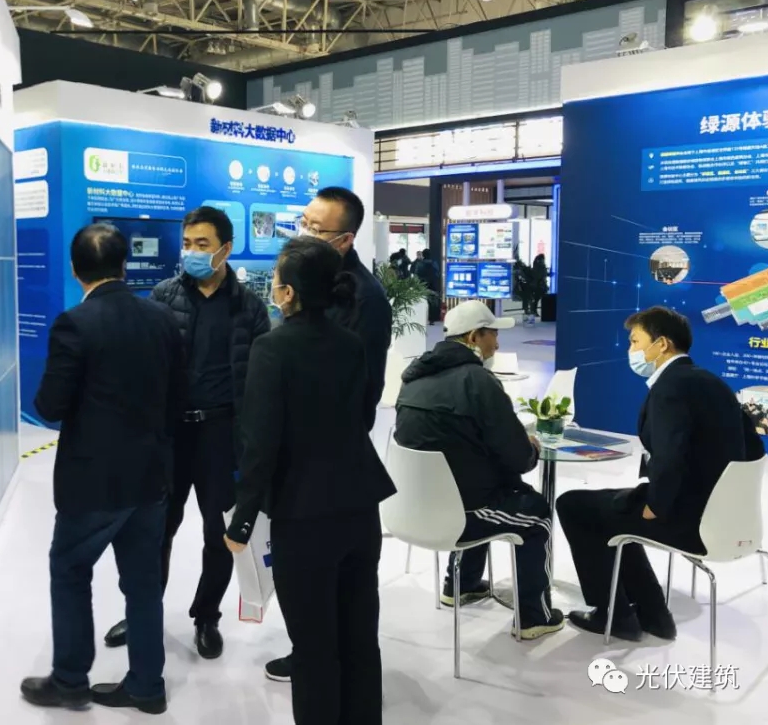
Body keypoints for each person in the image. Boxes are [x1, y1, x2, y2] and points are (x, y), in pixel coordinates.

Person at [224, 237, 397, 725]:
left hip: (304, 514)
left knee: (314, 645)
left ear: (288, 293)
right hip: (359, 506)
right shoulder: (350, 343)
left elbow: (260, 442)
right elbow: (362, 415)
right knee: (360, 637)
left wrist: (241, 521)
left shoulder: (272, 348)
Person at [22, 224, 185, 715]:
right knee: (143, 584)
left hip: (93, 483)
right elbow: (178, 396)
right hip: (151, 477)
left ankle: (70, 680)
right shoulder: (161, 319)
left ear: (75, 270)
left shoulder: (75, 324)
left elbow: (50, 406)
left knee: (71, 570)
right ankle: (147, 686)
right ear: (124, 265)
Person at [104, 206, 270, 659]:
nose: (192, 252)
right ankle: (143, 612)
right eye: (187, 243)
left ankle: (207, 616)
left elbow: (261, 382)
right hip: (170, 434)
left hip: (222, 436)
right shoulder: (163, 295)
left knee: (219, 534)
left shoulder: (250, 308)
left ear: (225, 249)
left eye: (203, 244)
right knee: (155, 528)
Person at [557, 307, 765, 641]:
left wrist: (656, 505)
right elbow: (753, 448)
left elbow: (671, 457)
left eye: (635, 341)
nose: (631, 349)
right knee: (616, 511)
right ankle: (653, 615)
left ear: (662, 344)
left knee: (573, 505)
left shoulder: (671, 388)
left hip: (688, 518)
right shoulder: (711, 382)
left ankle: (615, 615)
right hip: (724, 516)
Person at [264, 187, 392, 682]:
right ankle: (314, 654)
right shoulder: (304, 284)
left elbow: (361, 393)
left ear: (344, 240)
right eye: (304, 222)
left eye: (316, 229)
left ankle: (328, 671)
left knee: (345, 592)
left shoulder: (365, 299)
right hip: (300, 462)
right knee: (312, 592)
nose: (304, 233)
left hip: (334, 465)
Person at [394, 300, 565, 639]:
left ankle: (461, 585)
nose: (497, 345)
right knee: (536, 514)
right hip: (459, 514)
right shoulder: (479, 383)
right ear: (474, 337)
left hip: (410, 508)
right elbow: (518, 458)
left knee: (475, 482)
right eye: (492, 336)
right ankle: (535, 617)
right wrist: (531, 448)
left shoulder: (413, 379)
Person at [413, 250, 441, 325]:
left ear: (423, 255)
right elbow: (437, 274)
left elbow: (416, 274)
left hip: (422, 284)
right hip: (432, 285)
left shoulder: (419, 263)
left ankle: (420, 318)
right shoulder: (434, 263)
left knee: (421, 301)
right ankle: (432, 319)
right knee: (432, 302)